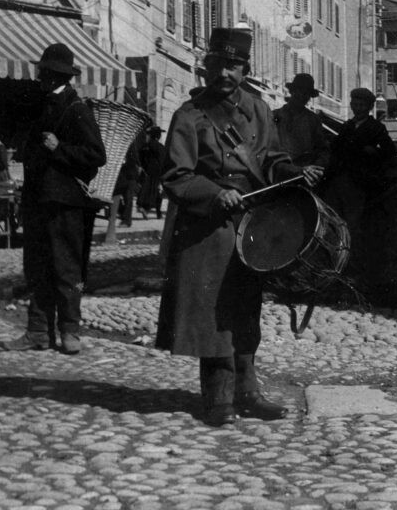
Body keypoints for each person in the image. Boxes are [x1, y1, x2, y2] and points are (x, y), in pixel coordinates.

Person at [155, 28, 322, 428]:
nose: (224, 73)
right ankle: (217, 398)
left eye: (233, 65)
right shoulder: (189, 116)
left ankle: (248, 392)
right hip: (208, 230)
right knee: (212, 312)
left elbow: (273, 159)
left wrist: (295, 173)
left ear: (245, 69)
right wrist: (214, 194)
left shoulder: (260, 110)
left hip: (252, 226)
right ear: (206, 67)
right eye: (218, 64)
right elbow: (175, 175)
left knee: (245, 309)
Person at [3, 43, 106, 354]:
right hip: (38, 200)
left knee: (66, 268)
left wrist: (59, 148)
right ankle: (37, 331)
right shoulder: (40, 104)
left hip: (66, 203)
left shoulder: (77, 109)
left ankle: (69, 331)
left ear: (55, 74)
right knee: (36, 265)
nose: (40, 77)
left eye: (44, 73)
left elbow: (96, 155)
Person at [324, 87, 397, 280]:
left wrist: (374, 151)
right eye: (355, 104)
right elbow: (335, 149)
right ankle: (335, 265)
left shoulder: (376, 128)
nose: (357, 107)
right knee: (335, 222)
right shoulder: (347, 126)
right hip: (339, 179)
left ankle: (352, 268)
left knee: (353, 225)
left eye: (362, 105)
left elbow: (390, 151)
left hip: (359, 183)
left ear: (369, 107)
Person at [272, 73, 330, 172]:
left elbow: (322, 149)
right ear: (292, 91)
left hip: (303, 172)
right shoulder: (274, 116)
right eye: (300, 92)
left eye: (307, 94)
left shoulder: (313, 120)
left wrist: (316, 166)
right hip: (278, 171)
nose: (303, 97)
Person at [138, 126, 166, 219]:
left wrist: (144, 167)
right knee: (157, 192)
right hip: (158, 172)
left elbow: (141, 158)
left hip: (147, 171)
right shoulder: (160, 147)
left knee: (148, 190)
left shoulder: (145, 146)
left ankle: (156, 212)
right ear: (158, 136)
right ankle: (149, 210)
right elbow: (163, 160)